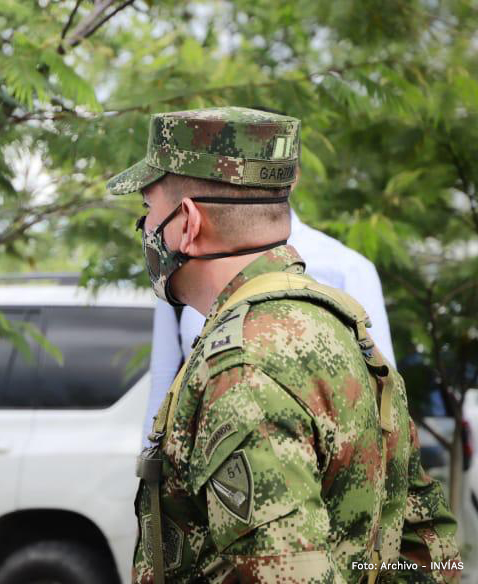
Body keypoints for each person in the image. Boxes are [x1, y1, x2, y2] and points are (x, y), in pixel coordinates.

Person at [107, 106, 459, 582]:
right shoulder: (344, 328)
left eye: (149, 210)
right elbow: (432, 552)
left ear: (187, 222)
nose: (147, 230)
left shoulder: (243, 368)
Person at [146, 206, 396, 449]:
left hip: (318, 454)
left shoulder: (346, 267)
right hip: (205, 453)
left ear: (294, 173)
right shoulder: (181, 273)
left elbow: (383, 387)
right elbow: (164, 378)